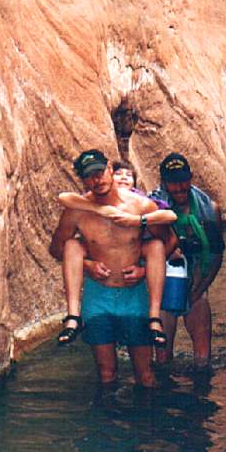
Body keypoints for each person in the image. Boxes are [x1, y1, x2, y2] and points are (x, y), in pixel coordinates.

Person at [49, 149, 173, 388]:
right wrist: (87, 266)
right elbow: (57, 249)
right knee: (106, 374)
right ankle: (73, 318)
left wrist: (145, 271)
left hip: (134, 294)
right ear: (83, 180)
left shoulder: (140, 205)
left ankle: (148, 422)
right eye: (89, 176)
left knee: (145, 375)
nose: (96, 180)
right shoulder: (77, 211)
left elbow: (167, 241)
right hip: (99, 295)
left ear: (110, 170)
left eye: (100, 172)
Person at [151, 152, 225, 371]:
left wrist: (200, 287)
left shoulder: (209, 209)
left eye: (184, 181)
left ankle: (201, 393)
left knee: (203, 362)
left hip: (196, 281)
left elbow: (217, 253)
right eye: (173, 183)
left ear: (191, 178)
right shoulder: (152, 207)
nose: (180, 187)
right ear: (164, 182)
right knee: (162, 360)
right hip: (164, 285)